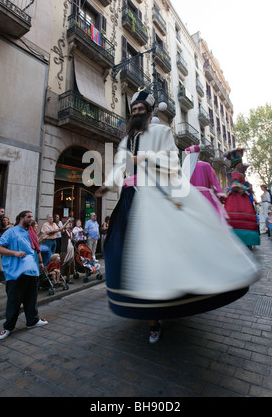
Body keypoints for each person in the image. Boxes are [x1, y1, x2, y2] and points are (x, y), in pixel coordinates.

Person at [95, 91, 261, 344]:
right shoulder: (126, 139)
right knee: (120, 251)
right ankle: (140, 308)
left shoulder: (161, 133)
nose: (137, 112)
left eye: (141, 109)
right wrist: (107, 184)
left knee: (160, 254)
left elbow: (172, 160)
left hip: (155, 197)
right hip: (129, 199)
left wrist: (145, 157)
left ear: (150, 112)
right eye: (134, 109)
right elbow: (120, 165)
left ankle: (160, 312)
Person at [0, 210, 48, 340]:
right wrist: (15, 253)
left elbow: (37, 249)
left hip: (32, 270)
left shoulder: (32, 232)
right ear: (21, 218)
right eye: (28, 217)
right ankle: (8, 327)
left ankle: (32, 321)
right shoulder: (11, 232)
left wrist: (41, 262)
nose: (31, 219)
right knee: (14, 301)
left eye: (31, 217)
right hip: (16, 273)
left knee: (31, 299)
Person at [182, 145, 228, 225]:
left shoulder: (186, 169)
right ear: (198, 154)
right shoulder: (205, 165)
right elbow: (214, 182)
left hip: (192, 196)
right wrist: (220, 194)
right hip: (206, 197)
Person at [223, 149, 260, 248]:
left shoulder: (240, 174)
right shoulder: (236, 173)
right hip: (237, 198)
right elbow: (235, 185)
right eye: (240, 163)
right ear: (237, 164)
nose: (241, 165)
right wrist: (245, 188)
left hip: (240, 197)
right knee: (240, 217)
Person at [60, 220, 75, 284]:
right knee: (64, 264)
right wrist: (66, 222)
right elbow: (61, 229)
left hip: (71, 250)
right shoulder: (64, 232)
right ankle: (62, 278)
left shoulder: (71, 232)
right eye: (68, 224)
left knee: (70, 264)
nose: (69, 225)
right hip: (64, 249)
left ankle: (68, 279)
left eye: (70, 224)